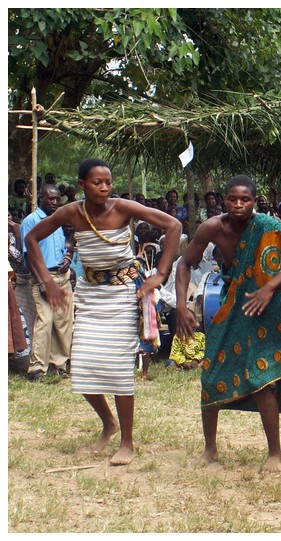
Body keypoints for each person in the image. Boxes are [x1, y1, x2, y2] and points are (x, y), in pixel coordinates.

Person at [24, 158, 181, 466]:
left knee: (120, 368)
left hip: (123, 293)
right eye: (97, 182)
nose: (105, 188)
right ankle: (108, 423)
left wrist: (159, 275)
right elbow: (30, 239)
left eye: (108, 182)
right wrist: (48, 282)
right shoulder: (72, 212)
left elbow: (173, 225)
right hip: (90, 294)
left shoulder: (122, 207)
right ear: (82, 185)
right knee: (81, 365)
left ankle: (127, 441)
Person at [175, 174, 281, 471]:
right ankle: (210, 448)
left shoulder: (268, 226)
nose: (238, 204)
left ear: (255, 201)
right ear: (224, 200)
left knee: (263, 380)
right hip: (231, 305)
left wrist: (269, 287)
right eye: (232, 199)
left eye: (245, 199)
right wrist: (180, 305)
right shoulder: (213, 227)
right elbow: (185, 263)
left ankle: (274, 453)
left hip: (267, 309)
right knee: (210, 377)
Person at [20, 184, 74, 381]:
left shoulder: (58, 220)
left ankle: (59, 365)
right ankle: (36, 369)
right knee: (45, 321)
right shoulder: (31, 221)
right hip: (44, 277)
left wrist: (68, 256)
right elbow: (29, 255)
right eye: (51, 199)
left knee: (63, 322)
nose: (55, 202)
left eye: (58, 199)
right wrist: (42, 282)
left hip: (63, 276)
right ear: (41, 198)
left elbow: (69, 240)